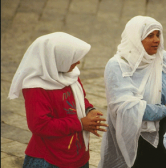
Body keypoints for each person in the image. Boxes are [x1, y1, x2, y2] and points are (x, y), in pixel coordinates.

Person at [8, 32, 108, 168]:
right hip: (49, 159)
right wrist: (79, 124)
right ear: (57, 58)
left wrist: (89, 110)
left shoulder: (70, 74)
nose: (78, 62)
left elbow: (79, 99)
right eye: (73, 58)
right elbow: (40, 125)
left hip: (77, 155)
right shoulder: (36, 87)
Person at [99, 16, 166, 168]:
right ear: (136, 38)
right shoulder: (117, 66)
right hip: (135, 135)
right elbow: (126, 107)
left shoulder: (162, 58)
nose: (156, 40)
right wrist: (164, 109)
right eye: (150, 35)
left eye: (158, 35)